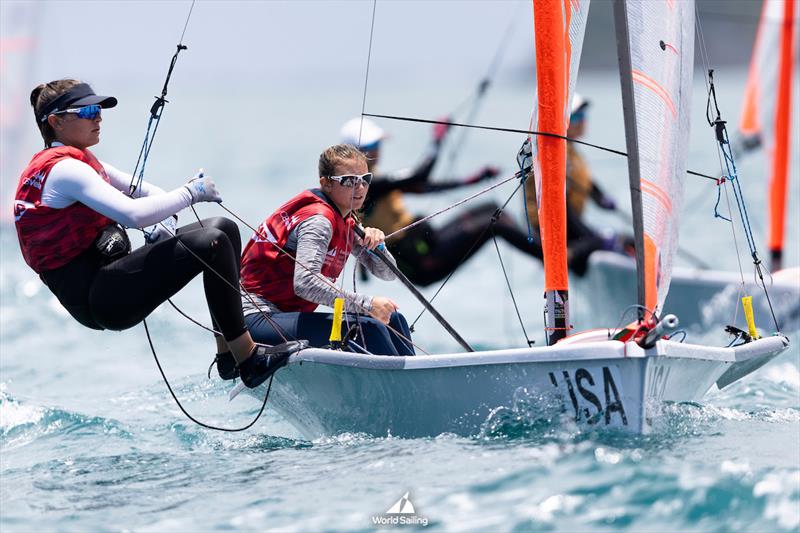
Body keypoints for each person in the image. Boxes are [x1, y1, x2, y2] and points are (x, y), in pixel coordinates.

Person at [15, 78, 303, 389]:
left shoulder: (80, 162)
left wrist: (163, 222)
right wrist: (190, 193)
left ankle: (228, 354)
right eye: (86, 111)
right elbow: (133, 214)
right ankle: (249, 360)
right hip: (98, 299)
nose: (98, 116)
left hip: (110, 281)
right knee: (212, 242)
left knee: (222, 228)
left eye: (98, 109)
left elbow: (146, 192)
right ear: (55, 122)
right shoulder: (63, 171)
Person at [240, 144, 414, 356]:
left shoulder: (347, 221)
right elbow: (305, 284)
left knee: (392, 318)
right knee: (369, 330)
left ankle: (417, 380)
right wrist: (367, 305)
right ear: (326, 183)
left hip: (287, 318)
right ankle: (403, 386)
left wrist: (377, 245)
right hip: (258, 318)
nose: (360, 188)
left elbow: (387, 274)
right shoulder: (319, 221)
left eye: (365, 179)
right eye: (349, 180)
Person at [340, 117, 544, 287]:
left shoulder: (373, 179)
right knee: (495, 223)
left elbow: (423, 187)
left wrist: (471, 180)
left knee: (491, 208)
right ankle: (555, 258)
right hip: (420, 263)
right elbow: (420, 175)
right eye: (369, 147)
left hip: (424, 243)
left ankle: (541, 247)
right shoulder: (364, 185)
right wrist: (437, 140)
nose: (376, 151)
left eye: (377, 145)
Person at [523, 94, 632, 275]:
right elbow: (557, 206)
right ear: (563, 123)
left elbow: (586, 182)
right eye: (576, 118)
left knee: (626, 240)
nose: (582, 122)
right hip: (554, 230)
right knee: (609, 240)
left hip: (570, 226)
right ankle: (569, 256)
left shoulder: (571, 151)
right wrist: (590, 236)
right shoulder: (554, 153)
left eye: (583, 117)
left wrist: (601, 198)